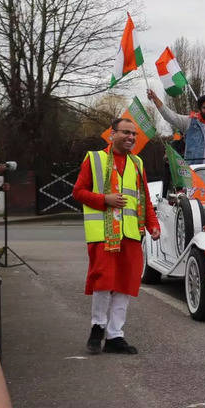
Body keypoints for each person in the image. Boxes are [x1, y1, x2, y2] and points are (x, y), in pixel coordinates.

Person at [71, 117, 162, 354]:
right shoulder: (94, 158)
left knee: (125, 283)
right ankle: (97, 327)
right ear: (112, 134)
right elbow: (78, 192)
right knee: (104, 280)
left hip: (130, 233)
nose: (131, 138)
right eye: (126, 133)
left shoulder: (137, 163)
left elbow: (144, 199)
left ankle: (115, 335)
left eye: (134, 134)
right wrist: (105, 200)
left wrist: (153, 225)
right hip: (103, 232)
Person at [146, 90, 205, 164]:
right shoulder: (189, 122)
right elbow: (170, 116)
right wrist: (155, 99)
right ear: (200, 109)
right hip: (196, 175)